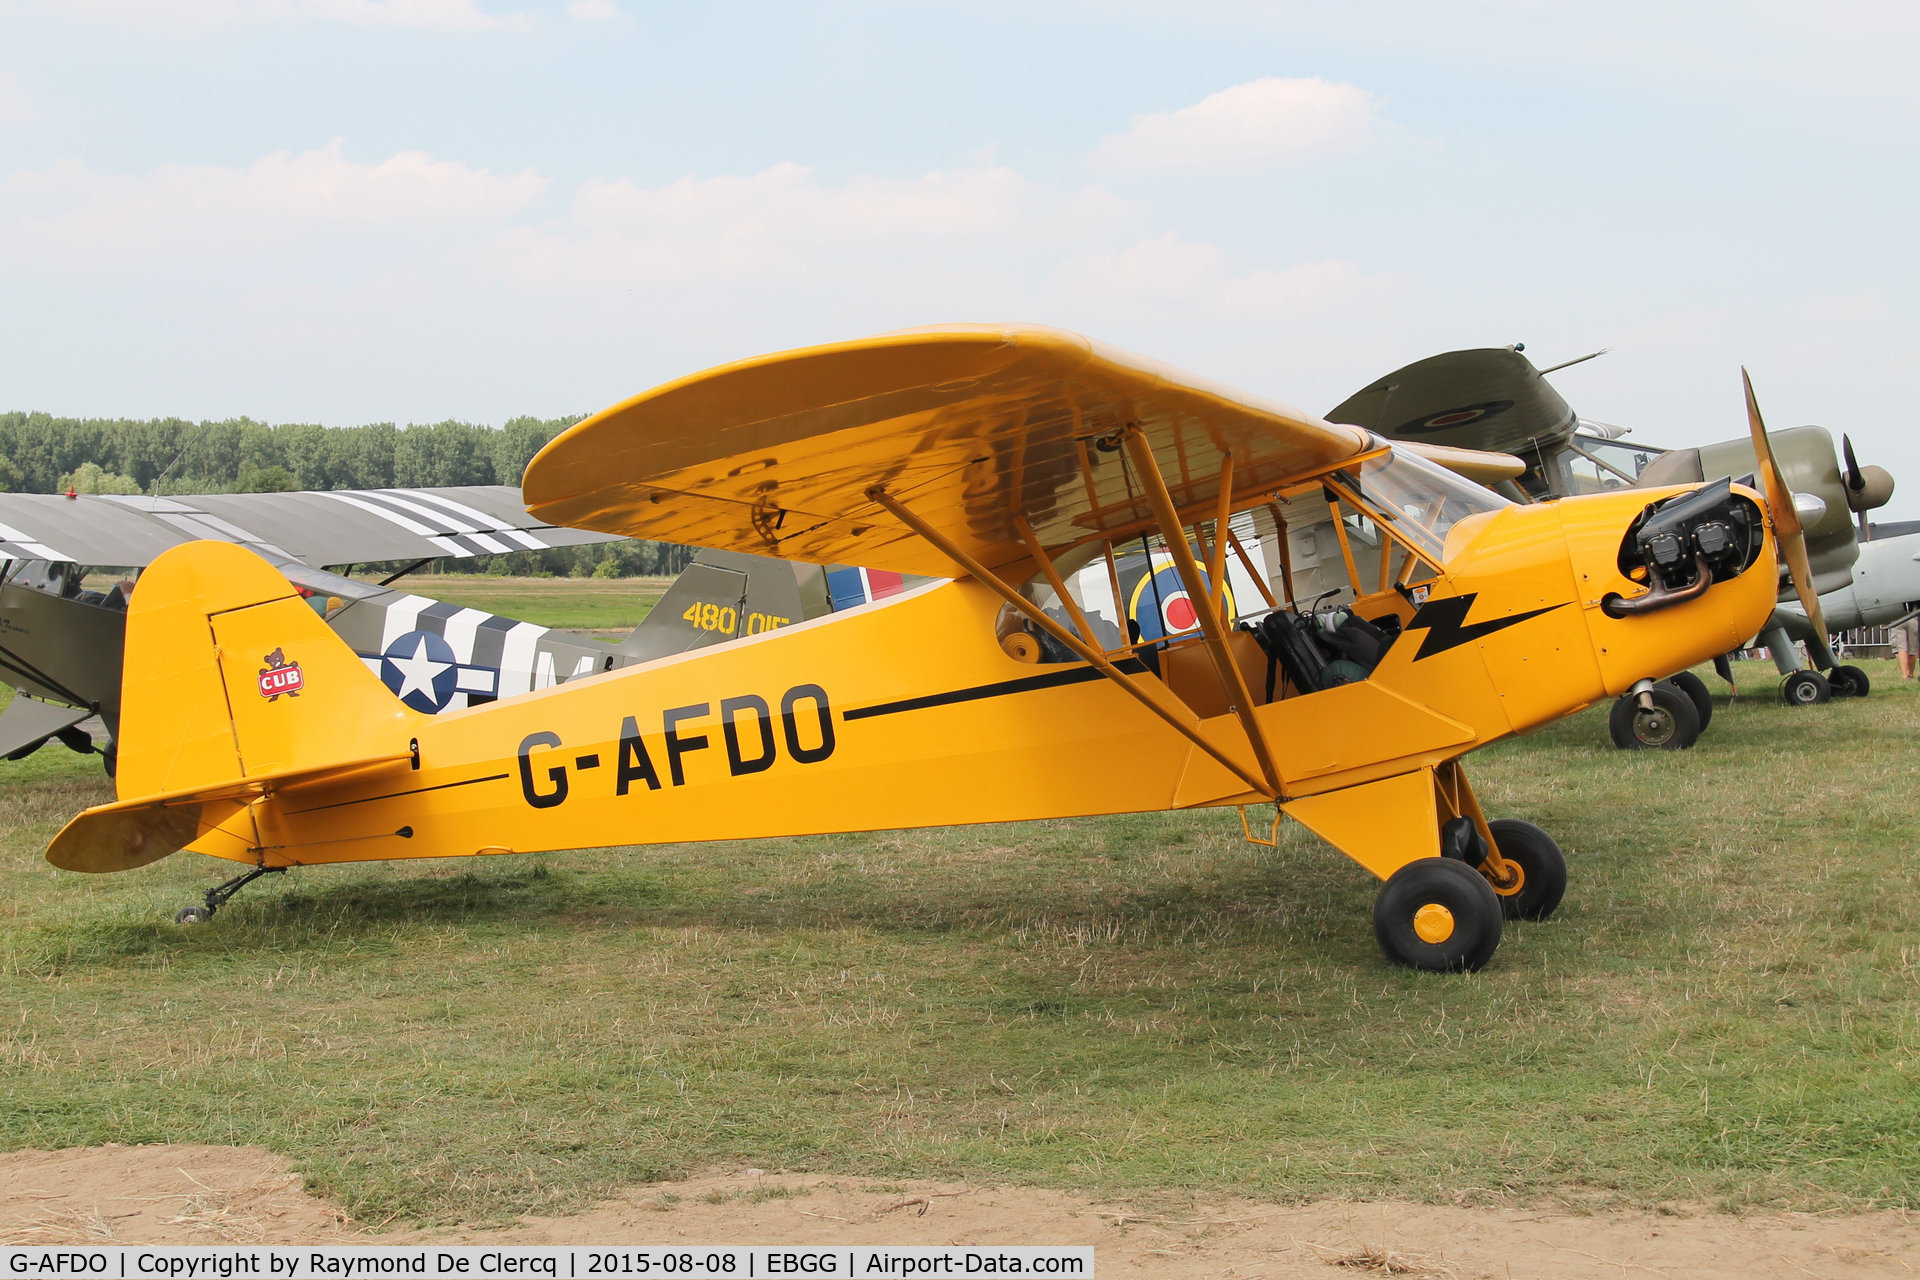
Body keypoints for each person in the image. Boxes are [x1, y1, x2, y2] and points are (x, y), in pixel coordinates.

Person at [1892, 607, 1920, 680]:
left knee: (1902, 648)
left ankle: (1904, 675)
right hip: (1913, 617)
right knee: (1912, 650)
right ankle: (1910, 674)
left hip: (1898, 619)